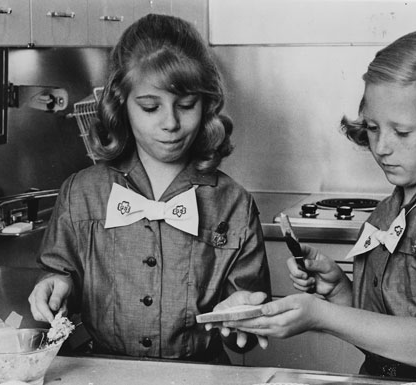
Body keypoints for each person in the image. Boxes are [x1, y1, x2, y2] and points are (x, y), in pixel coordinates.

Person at [222, 26, 416, 384]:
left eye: (401, 132)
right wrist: (340, 293)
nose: (381, 147)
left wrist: (320, 315)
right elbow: (387, 334)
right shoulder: (388, 210)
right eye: (371, 127)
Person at [28, 14, 271, 363]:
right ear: (121, 104)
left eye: (186, 105)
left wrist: (246, 319)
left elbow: (247, 336)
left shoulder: (234, 204)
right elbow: (60, 273)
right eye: (150, 107)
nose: (170, 122)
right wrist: (55, 284)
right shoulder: (82, 193)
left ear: (207, 104)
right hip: (107, 372)